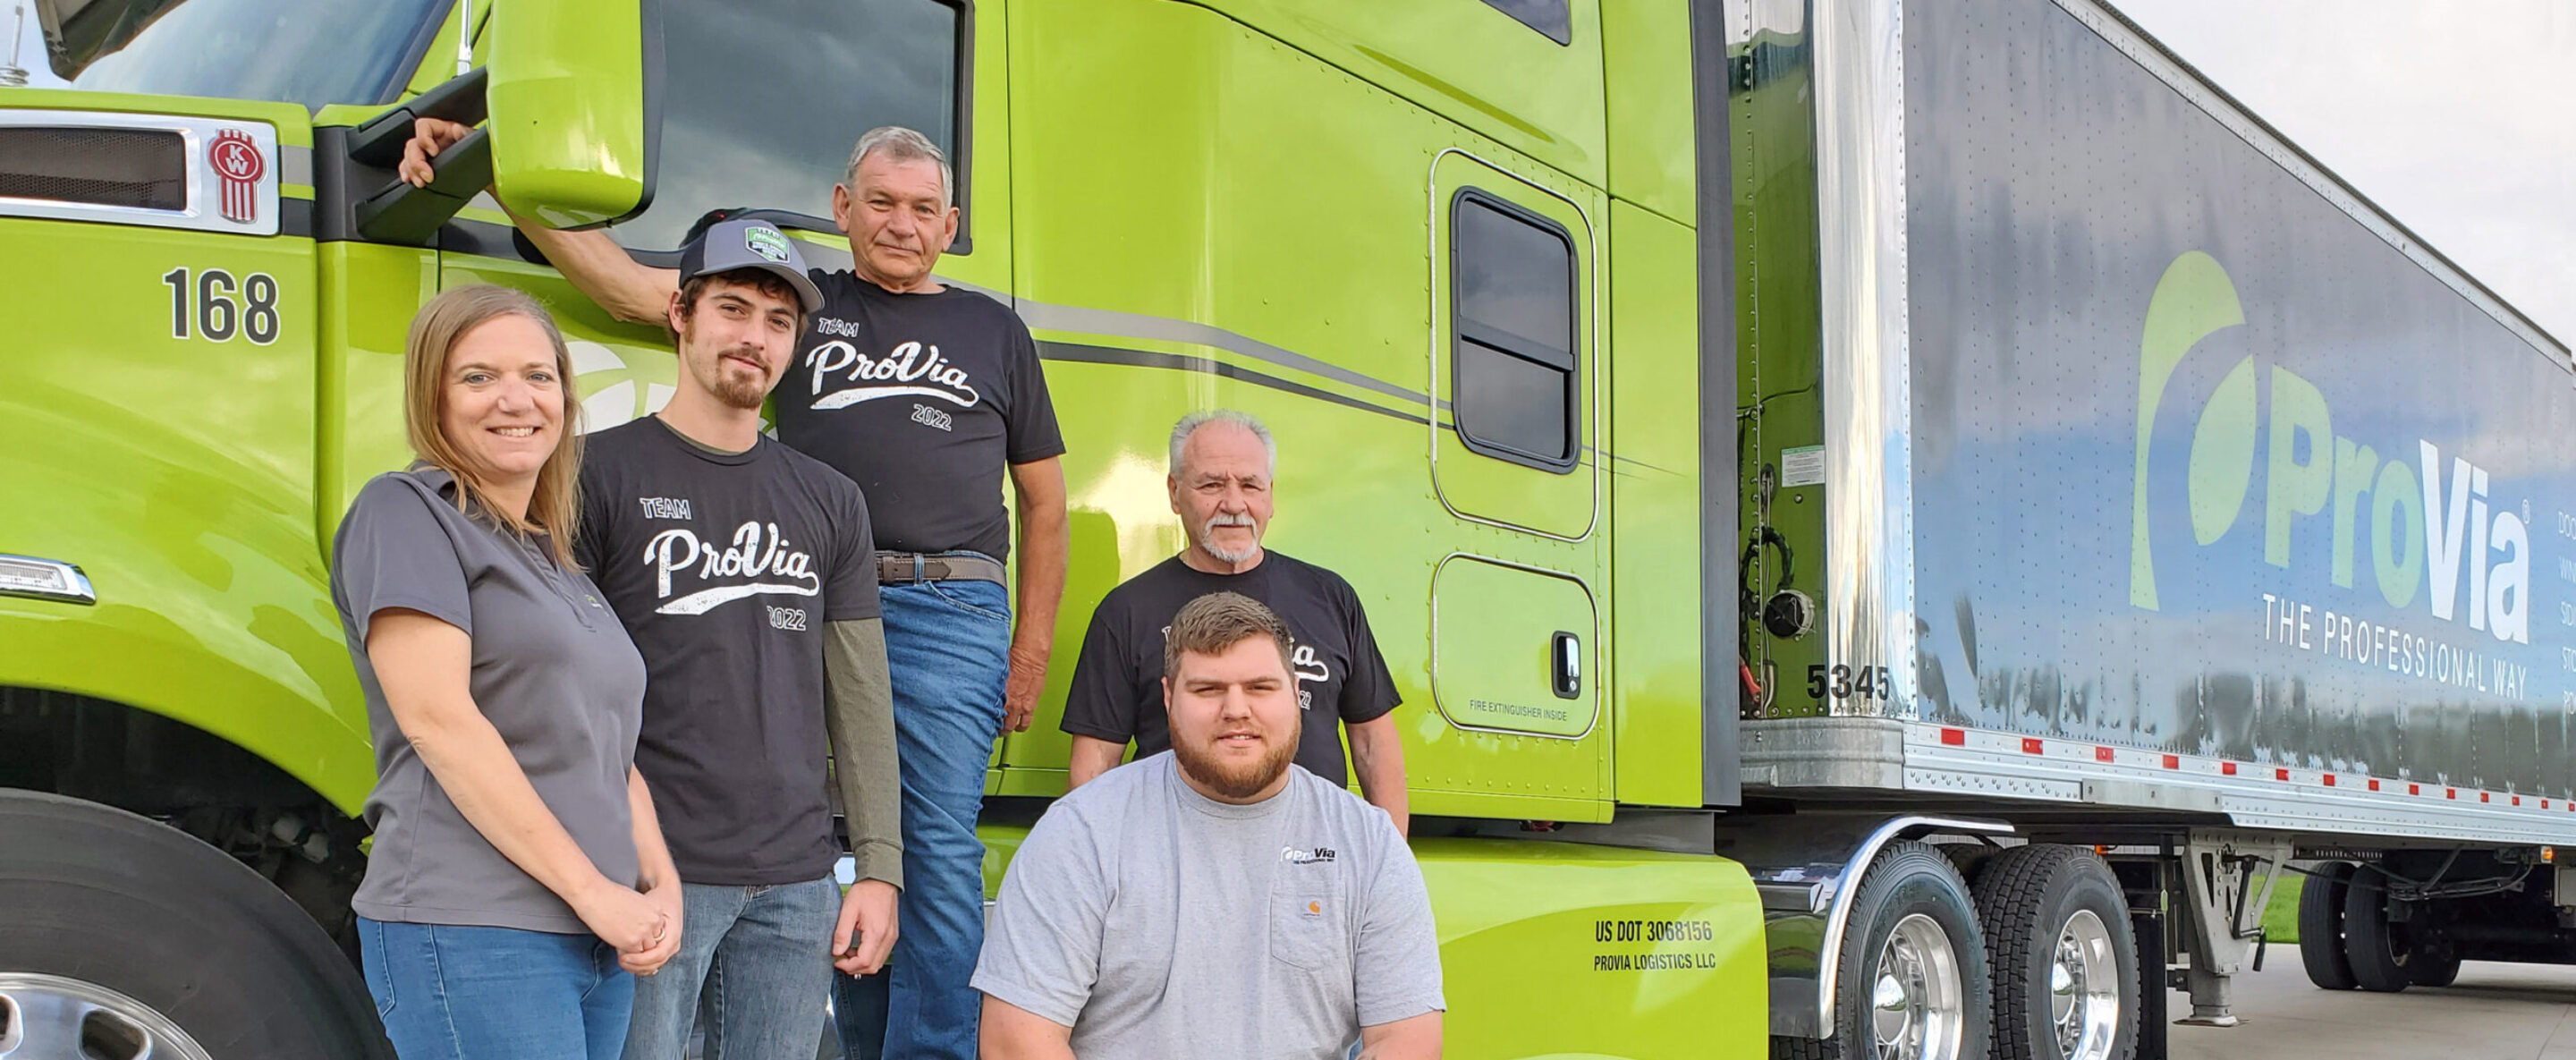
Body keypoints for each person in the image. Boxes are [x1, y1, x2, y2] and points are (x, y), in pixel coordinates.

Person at [402, 121, 1068, 1060]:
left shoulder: (991, 328)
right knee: (818, 832)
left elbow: (1045, 502)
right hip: (801, 587)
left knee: (935, 856)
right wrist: (499, 167)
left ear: (950, 224)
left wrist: (1026, 650)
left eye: (924, 210)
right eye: (880, 202)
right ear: (843, 209)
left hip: (946, 603)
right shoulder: (800, 299)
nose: (902, 225)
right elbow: (622, 283)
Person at [570, 218, 903, 1058]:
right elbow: (554, 687)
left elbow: (859, 695)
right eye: (733, 308)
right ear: (680, 313)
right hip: (649, 869)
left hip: (795, 881)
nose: (755, 336)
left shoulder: (830, 499)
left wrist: (878, 866)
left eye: (778, 320)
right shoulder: (591, 472)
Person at [331, 284, 680, 1059]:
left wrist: (661, 884)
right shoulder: (407, 513)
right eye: (478, 376)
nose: (514, 399)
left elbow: (609, 751)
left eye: (538, 375)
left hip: (595, 938)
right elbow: (440, 722)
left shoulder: (555, 561)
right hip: (475, 927)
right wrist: (597, 892)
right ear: (434, 398)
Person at [975, 591, 1445, 1060]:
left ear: (1296, 691)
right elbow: (1015, 1041)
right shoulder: (1081, 834)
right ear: (1168, 697)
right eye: (1208, 690)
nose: (1236, 710)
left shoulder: (1370, 844)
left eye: (1261, 687)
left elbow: (1406, 1041)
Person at [1062, 410, 1409, 833]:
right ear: (1175, 493)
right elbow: (1096, 763)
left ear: (1270, 496)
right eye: (1211, 484)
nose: (1233, 503)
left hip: (1311, 860)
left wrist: (1393, 861)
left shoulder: (1331, 597)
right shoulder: (1126, 611)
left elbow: (1374, 745)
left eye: (1249, 485)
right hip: (1176, 859)